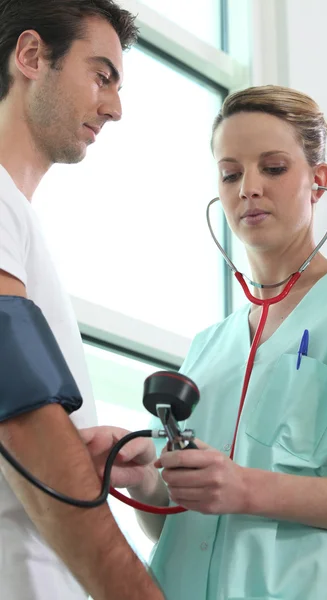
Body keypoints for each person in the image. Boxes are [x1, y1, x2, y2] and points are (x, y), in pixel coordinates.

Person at [81, 85, 327, 600]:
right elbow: (178, 525)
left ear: (317, 182)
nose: (248, 187)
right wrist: (147, 482)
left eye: (272, 168)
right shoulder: (209, 349)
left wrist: (246, 487)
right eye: (231, 174)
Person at [0, 1, 164, 599]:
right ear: (31, 56)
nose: (115, 108)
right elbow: (23, 417)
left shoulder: (22, 226)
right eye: (101, 75)